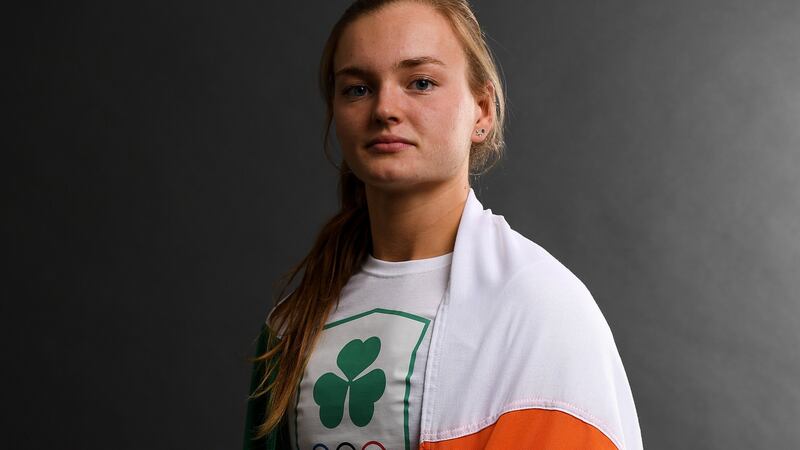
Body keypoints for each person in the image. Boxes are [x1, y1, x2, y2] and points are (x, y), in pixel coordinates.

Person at [243, 0, 643, 449]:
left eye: (421, 82)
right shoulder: (291, 325)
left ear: (482, 110)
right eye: (357, 89)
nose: (385, 109)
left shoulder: (540, 306)